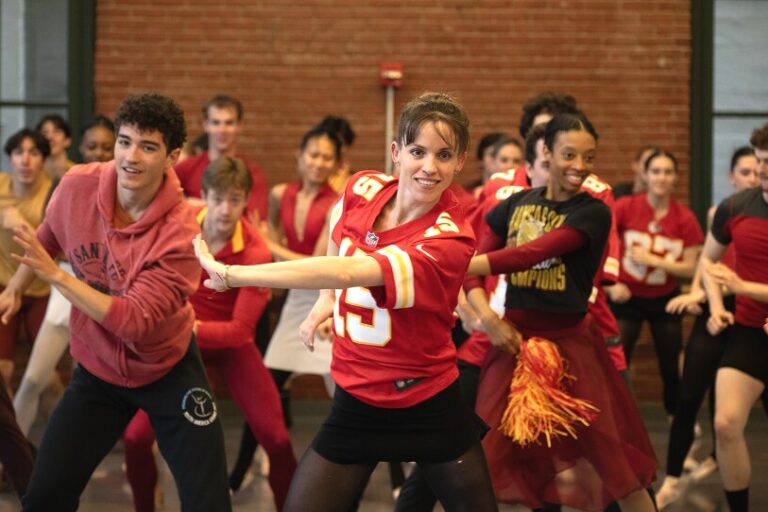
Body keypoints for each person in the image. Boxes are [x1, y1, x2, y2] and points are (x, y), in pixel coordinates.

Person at [195, 92, 498, 512]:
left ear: (460, 160)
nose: (429, 167)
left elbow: (348, 271)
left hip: (426, 401)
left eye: (444, 155)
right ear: (396, 151)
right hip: (356, 399)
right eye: (418, 151)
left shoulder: (449, 237)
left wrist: (233, 275)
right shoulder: (364, 186)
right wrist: (326, 300)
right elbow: (341, 232)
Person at [0, 93, 231, 511]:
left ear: (172, 156)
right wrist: (15, 287)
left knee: (208, 502)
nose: (131, 157)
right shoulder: (78, 185)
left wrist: (55, 277)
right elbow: (49, 234)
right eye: (125, 141)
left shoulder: (179, 236)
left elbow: (132, 321)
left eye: (148, 146)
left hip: (167, 368)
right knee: (45, 497)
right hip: (98, 371)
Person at [467, 113, 657, 512]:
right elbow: (475, 276)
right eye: (569, 155)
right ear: (546, 153)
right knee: (479, 462)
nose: (580, 167)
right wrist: (487, 319)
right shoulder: (513, 206)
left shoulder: (593, 212)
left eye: (589, 158)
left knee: (616, 466)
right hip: (514, 348)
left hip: (572, 352)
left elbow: (528, 254)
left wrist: (456, 264)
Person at [123, 155, 296, 511]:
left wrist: (186, 326)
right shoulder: (179, 230)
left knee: (277, 440)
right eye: (217, 198)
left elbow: (238, 333)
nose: (224, 209)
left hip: (226, 348)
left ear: (247, 200)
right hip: (180, 347)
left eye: (234, 199)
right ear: (203, 196)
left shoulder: (255, 251)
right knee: (135, 438)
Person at [228, 125, 341, 492]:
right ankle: (239, 472)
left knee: (348, 394)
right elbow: (271, 237)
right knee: (266, 388)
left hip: (324, 294)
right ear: (299, 155)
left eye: (326, 157)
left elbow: (317, 262)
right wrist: (270, 248)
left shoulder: (336, 203)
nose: (318, 162)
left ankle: (393, 478)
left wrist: (271, 248)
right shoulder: (280, 193)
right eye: (313, 154)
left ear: (336, 163)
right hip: (295, 298)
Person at [656, 145, 758, 508]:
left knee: (725, 407)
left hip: (748, 308)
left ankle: (718, 457)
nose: (755, 174)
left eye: (758, 167)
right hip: (724, 312)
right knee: (695, 399)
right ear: (732, 176)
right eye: (747, 170)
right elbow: (707, 262)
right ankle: (672, 477)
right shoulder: (726, 210)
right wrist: (704, 298)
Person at [692, 124, 768, 512]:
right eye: (761, 160)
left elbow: (735, 280)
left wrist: (741, 286)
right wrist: (719, 306)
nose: (764, 168)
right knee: (725, 423)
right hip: (751, 333)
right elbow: (708, 260)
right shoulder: (736, 207)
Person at [607, 149, 703, 416]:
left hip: (664, 297)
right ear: (645, 175)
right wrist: (610, 284)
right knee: (617, 356)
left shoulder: (684, 217)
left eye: (668, 172)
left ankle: (678, 420)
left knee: (671, 363)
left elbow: (693, 265)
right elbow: (604, 244)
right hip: (628, 296)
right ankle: (617, 418)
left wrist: (656, 260)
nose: (662, 177)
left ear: (675, 178)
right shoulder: (626, 206)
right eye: (656, 171)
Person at [0, 129, 53, 391]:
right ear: (10, 158)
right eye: (19, 152)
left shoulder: (53, 192)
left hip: (41, 289)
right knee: (3, 371)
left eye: (34, 153)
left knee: (45, 379)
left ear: (43, 159)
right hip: (4, 286)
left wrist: (20, 225)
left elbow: (56, 249)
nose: (25, 160)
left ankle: (55, 433)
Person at [173, 94, 268, 225]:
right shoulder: (185, 169)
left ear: (240, 125)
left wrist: (195, 205)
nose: (222, 130)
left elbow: (253, 225)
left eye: (229, 123)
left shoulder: (253, 174)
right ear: (205, 125)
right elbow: (166, 210)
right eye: (215, 122)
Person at [36, 114, 75, 179]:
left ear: (67, 140)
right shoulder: (32, 173)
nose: (50, 137)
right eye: (45, 132)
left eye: (57, 132)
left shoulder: (75, 172)